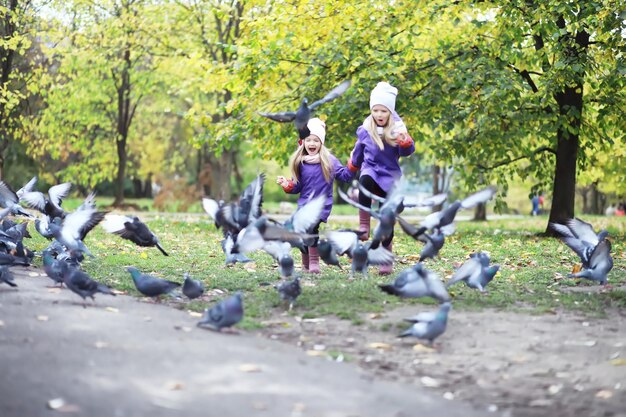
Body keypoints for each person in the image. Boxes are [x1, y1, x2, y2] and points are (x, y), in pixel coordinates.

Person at [347, 81, 415, 274]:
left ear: (390, 112)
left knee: (388, 218)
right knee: (364, 180)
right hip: (371, 170)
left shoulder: (397, 130)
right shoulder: (365, 129)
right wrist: (352, 165)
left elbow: (408, 151)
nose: (379, 115)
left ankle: (386, 258)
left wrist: (405, 142)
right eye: (375, 110)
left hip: (390, 177)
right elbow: (358, 153)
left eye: (383, 111)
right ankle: (364, 224)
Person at [277, 118, 354, 273]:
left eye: (316, 140)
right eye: (308, 140)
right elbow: (297, 187)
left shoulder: (329, 161)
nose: (312, 144)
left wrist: (353, 162)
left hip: (321, 205)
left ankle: (314, 263)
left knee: (311, 228)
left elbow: (345, 176)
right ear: (303, 142)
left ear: (322, 143)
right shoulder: (300, 162)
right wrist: (287, 185)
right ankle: (306, 264)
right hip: (304, 205)